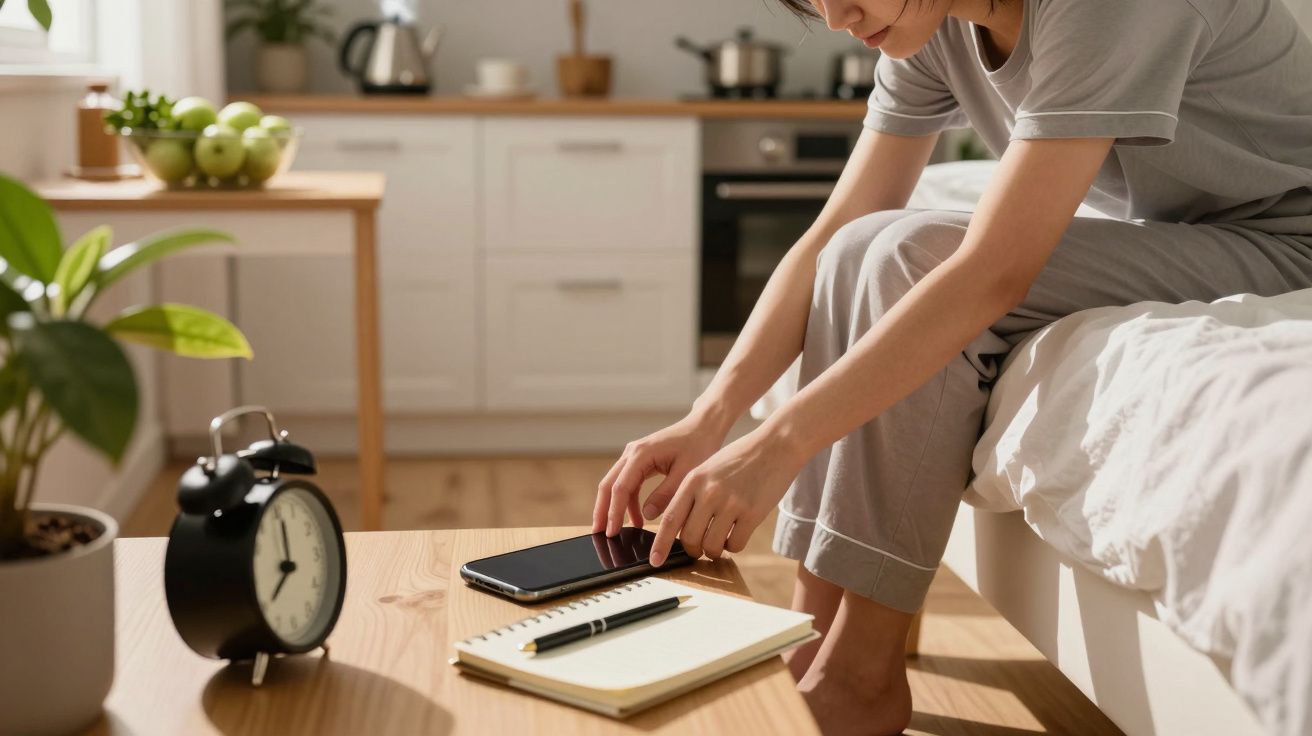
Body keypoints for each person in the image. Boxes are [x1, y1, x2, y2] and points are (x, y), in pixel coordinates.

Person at [592, 0, 1312, 732]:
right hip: (1187, 233)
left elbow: (993, 273)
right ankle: (813, 642)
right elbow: (837, 227)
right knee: (860, 249)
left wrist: (779, 443)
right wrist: (708, 417)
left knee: (913, 258)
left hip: (1290, 239)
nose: (837, 17)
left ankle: (860, 674)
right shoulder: (932, 24)